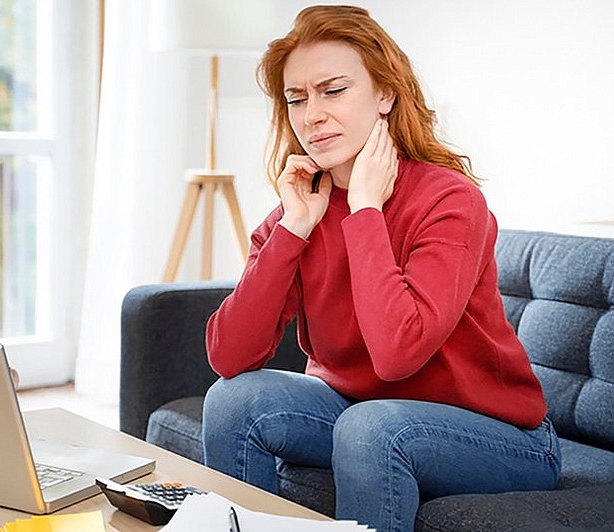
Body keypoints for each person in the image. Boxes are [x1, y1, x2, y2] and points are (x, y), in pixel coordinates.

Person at [201, 5, 560, 532]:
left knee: (372, 428)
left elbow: (397, 355)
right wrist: (293, 230)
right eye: (296, 98)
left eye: (333, 90)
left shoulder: (449, 201)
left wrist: (366, 210)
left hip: (502, 438)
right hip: (359, 413)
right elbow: (230, 356)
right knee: (233, 400)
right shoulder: (299, 207)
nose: (311, 115)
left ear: (385, 94)